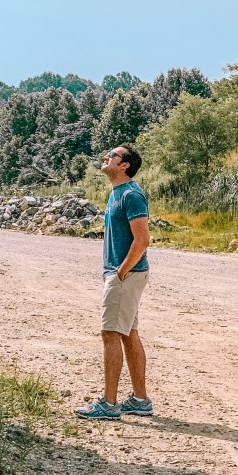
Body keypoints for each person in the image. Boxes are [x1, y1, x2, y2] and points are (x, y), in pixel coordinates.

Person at [75, 144, 153, 420]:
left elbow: (142, 239)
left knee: (110, 334)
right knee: (128, 332)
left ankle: (108, 404)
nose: (107, 157)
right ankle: (140, 400)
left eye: (113, 155)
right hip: (125, 274)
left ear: (125, 165)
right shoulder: (118, 193)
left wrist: (120, 273)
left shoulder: (131, 194)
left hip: (126, 275)